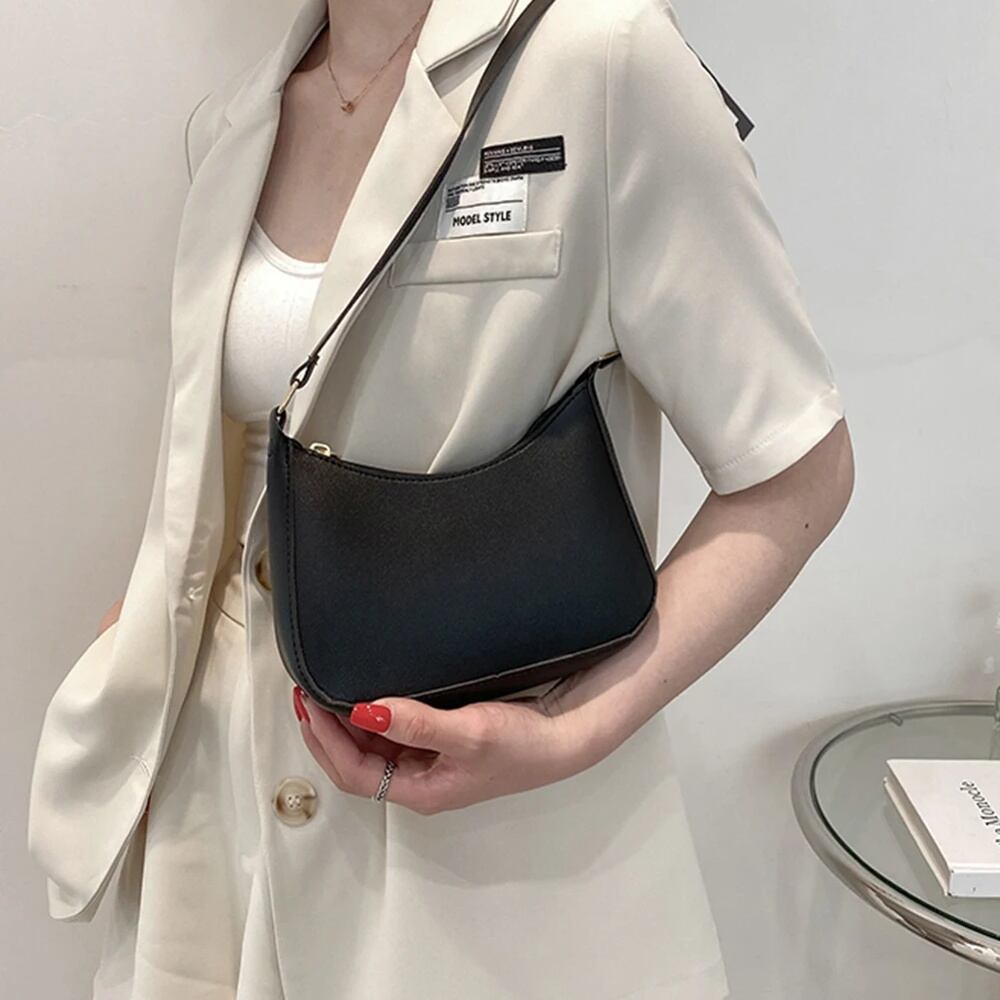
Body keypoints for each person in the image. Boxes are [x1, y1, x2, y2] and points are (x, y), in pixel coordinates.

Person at [27, 0, 855, 997]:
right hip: (215, 805)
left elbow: (796, 472)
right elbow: (227, 453)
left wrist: (571, 731)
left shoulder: (604, 59)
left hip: (480, 837)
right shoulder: (233, 123)